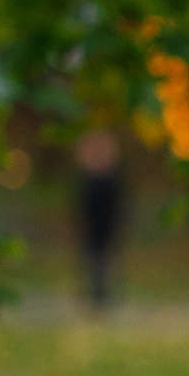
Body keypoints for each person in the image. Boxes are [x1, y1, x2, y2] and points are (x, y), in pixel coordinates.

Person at [74, 127, 124, 310]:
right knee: (91, 262)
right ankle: (94, 296)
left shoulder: (110, 179)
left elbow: (117, 206)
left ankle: (102, 296)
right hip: (92, 227)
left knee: (103, 263)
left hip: (105, 227)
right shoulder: (89, 178)